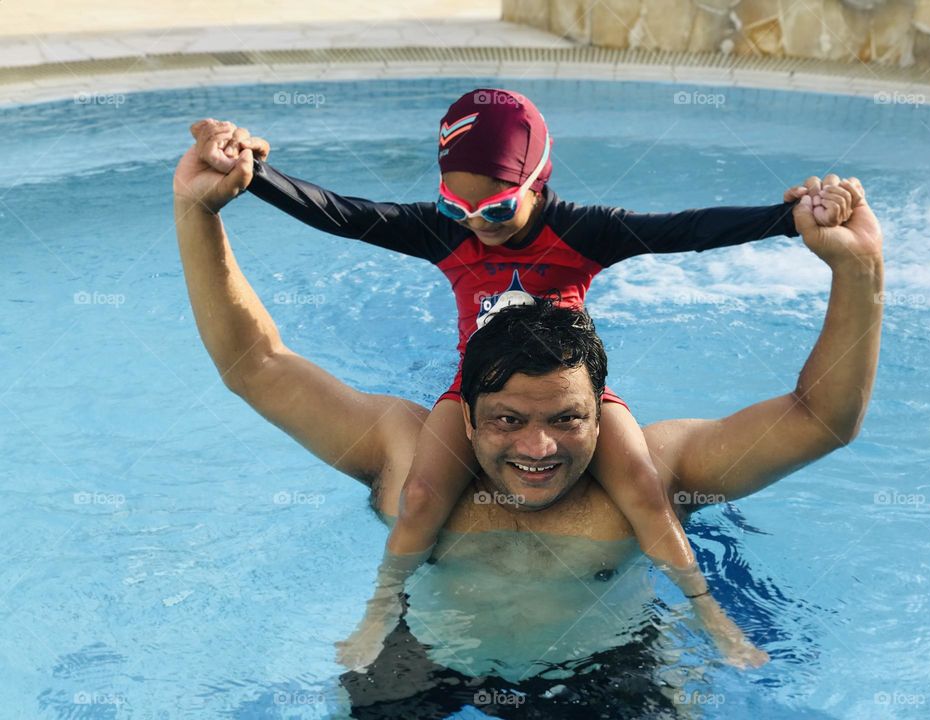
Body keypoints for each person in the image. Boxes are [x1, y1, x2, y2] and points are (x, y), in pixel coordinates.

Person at [173, 118, 882, 671]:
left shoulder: (657, 472)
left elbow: (821, 418)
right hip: (421, 663)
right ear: (468, 413)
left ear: (601, 406)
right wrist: (199, 211)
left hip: (612, 673)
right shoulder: (406, 450)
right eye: (508, 420)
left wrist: (858, 270)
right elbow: (257, 364)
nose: (538, 448)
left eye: (568, 419)